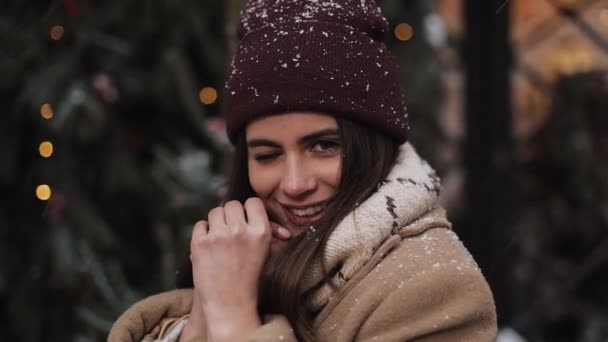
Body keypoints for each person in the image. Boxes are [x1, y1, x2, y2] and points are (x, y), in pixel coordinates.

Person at [108, 0, 497, 341]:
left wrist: (232, 318)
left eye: (323, 146)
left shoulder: (435, 286)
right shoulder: (245, 264)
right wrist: (202, 318)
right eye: (267, 155)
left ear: (371, 143)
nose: (294, 184)